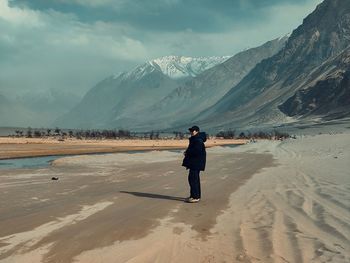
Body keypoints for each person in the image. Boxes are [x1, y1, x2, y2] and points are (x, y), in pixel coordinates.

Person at [182, 125, 207, 203]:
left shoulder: (198, 140)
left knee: (193, 180)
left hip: (196, 163)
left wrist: (187, 152)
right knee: (193, 179)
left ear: (197, 131)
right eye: (191, 131)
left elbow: (197, 151)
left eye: (193, 131)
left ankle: (195, 197)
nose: (191, 132)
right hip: (195, 163)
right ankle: (194, 196)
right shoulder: (195, 139)